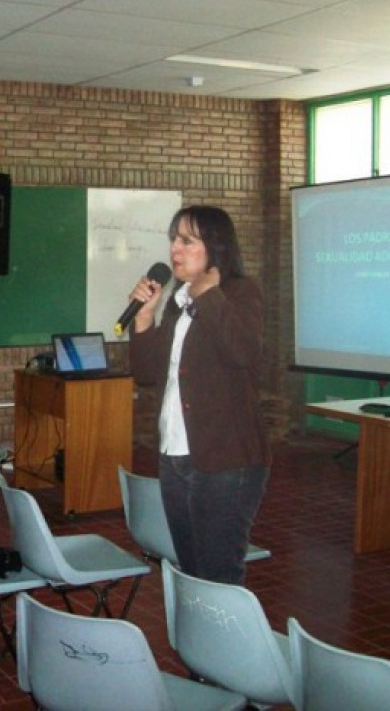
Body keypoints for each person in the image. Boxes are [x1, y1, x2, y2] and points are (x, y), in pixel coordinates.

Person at [127, 205, 270, 586]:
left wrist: (208, 295)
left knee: (218, 574)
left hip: (226, 458)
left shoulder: (240, 292)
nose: (175, 249)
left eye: (187, 241)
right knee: (190, 569)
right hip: (175, 456)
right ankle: (197, 646)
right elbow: (147, 374)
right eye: (174, 239)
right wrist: (143, 320)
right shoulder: (178, 300)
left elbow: (243, 352)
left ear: (215, 247)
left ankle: (223, 646)